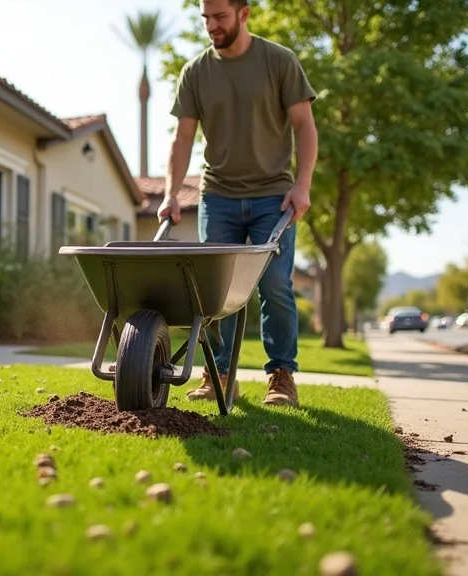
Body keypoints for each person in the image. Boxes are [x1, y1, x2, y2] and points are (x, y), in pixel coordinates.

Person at [157, 0, 318, 407]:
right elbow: (183, 139)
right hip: (219, 195)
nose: (211, 25)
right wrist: (171, 193)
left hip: (274, 195)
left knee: (275, 284)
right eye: (205, 18)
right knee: (216, 291)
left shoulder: (279, 61)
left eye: (220, 17)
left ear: (244, 14)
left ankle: (281, 375)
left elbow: (304, 125)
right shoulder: (195, 72)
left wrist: (302, 185)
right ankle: (220, 375)